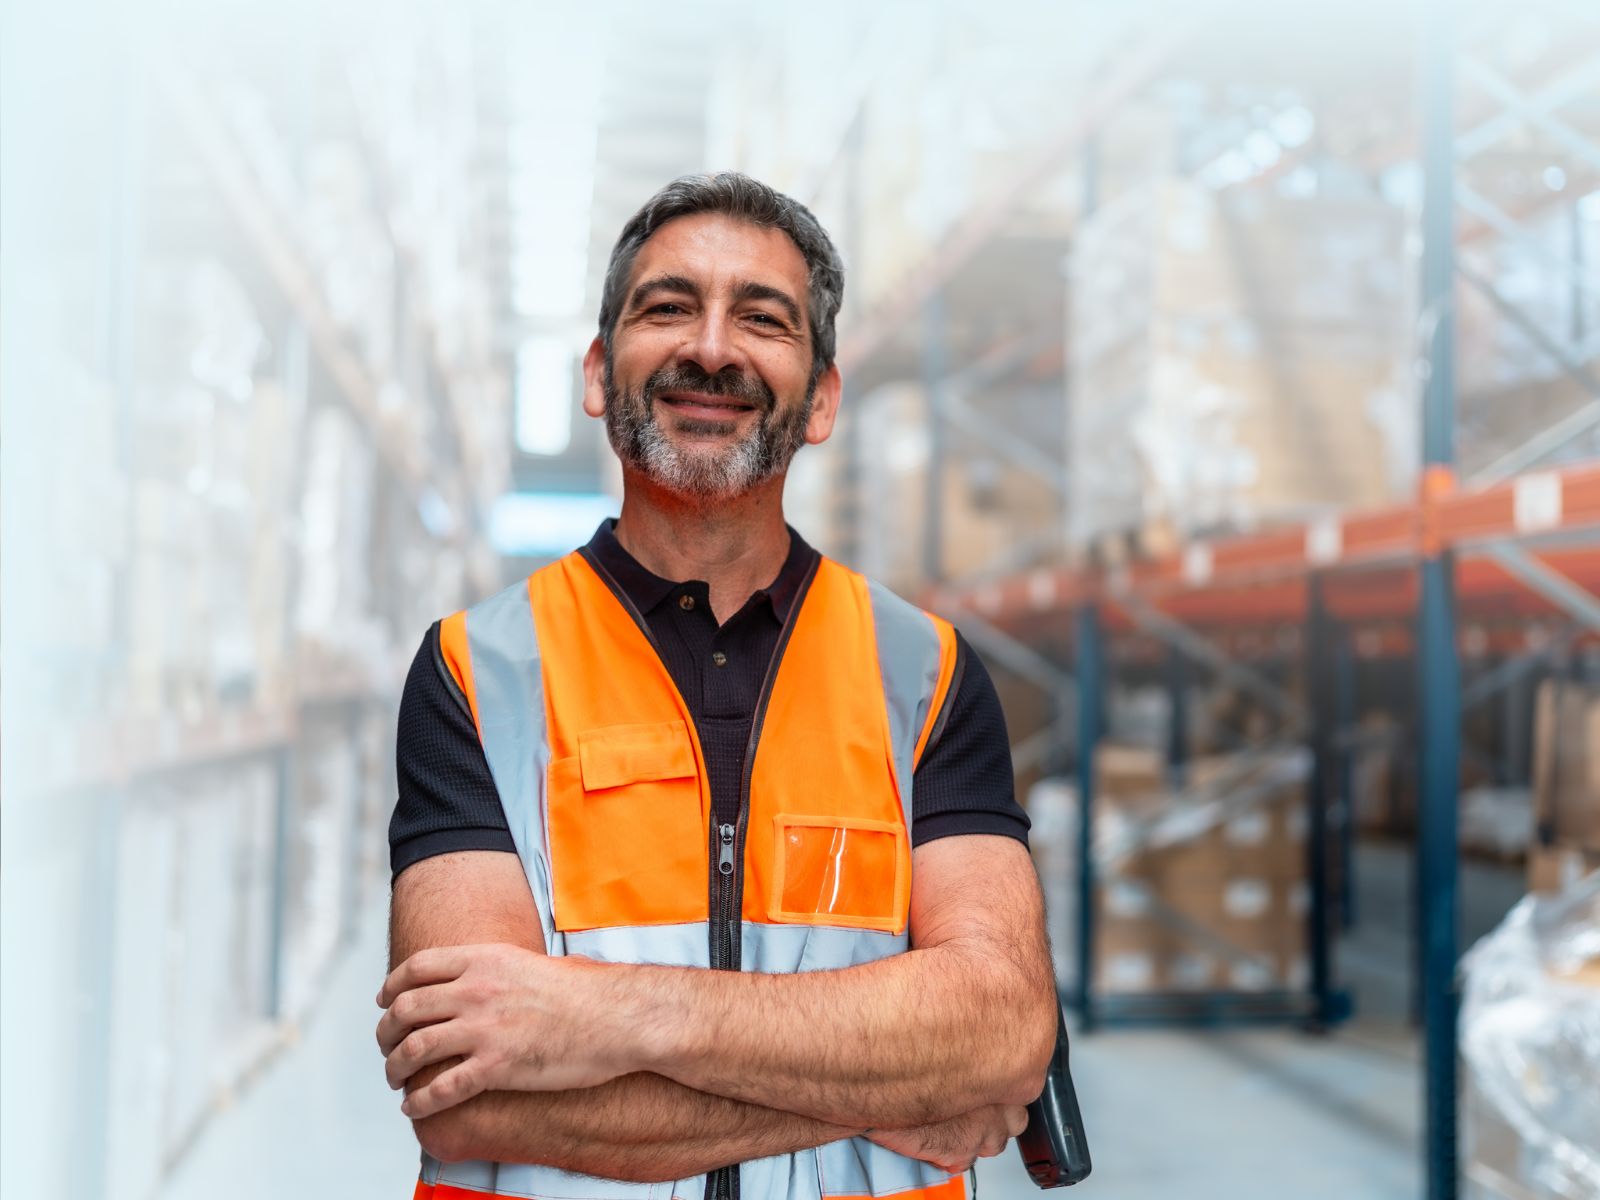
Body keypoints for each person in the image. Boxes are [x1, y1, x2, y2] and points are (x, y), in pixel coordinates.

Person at [377, 172, 1057, 1200]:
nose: (710, 349)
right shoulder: (478, 672)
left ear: (821, 397)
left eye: (763, 319)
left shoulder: (925, 673)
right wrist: (896, 1079)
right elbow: (469, 1092)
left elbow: (1001, 1030)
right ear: (599, 375)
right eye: (666, 308)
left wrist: (611, 1017)